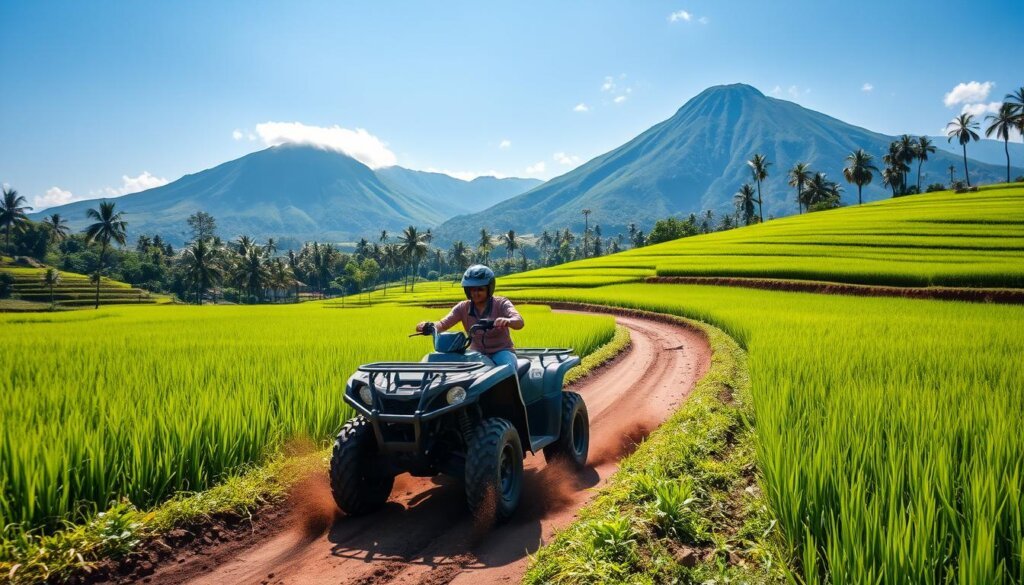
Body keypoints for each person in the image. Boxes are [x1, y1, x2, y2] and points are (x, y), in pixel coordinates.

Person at [417, 264, 524, 371]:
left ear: (489, 289)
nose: (475, 293)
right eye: (472, 290)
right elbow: (443, 324)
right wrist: (429, 326)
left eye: (480, 289)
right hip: (476, 353)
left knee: (508, 369)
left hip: (502, 351)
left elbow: (519, 321)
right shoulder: (463, 307)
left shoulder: (501, 303)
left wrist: (508, 321)